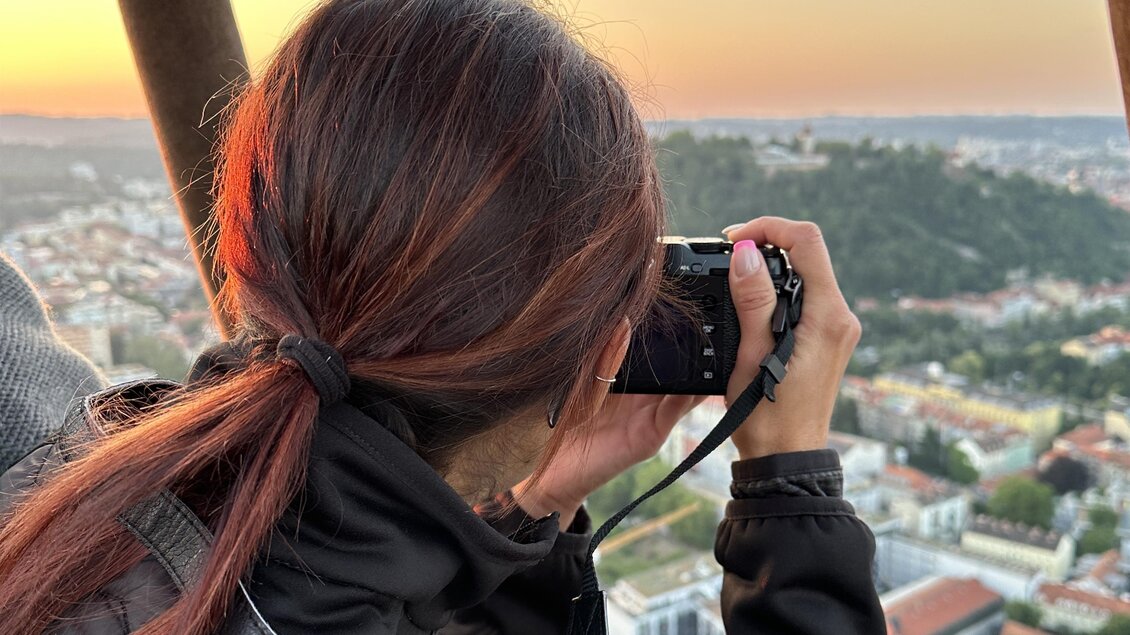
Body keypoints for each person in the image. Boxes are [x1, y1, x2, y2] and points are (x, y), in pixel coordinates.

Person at [0, 0, 884, 633]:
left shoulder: (51, 464)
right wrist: (790, 484)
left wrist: (529, 503)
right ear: (602, 355)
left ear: (248, 244)